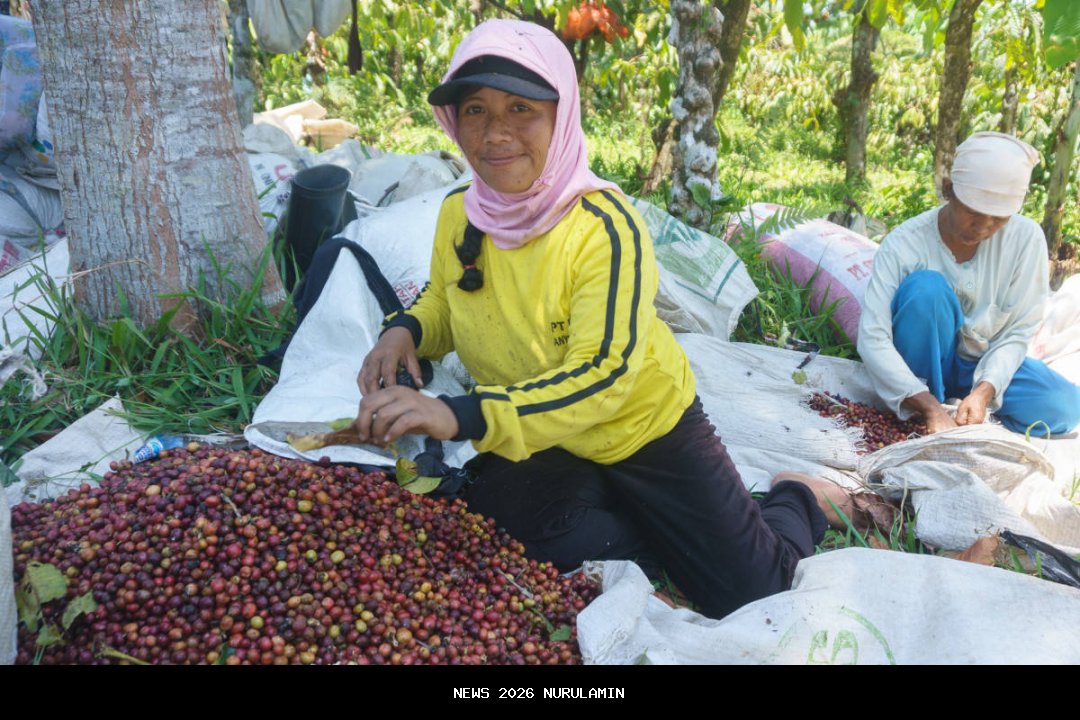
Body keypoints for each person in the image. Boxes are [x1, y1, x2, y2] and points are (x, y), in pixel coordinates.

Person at [352, 19, 839, 620]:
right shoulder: (463, 211)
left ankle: (794, 495)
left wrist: (458, 414)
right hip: (543, 431)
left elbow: (604, 377)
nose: (496, 133)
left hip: (640, 430)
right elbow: (446, 301)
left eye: (521, 109)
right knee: (502, 536)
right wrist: (405, 330)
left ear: (561, 119)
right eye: (474, 109)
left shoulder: (604, 229)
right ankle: (648, 520)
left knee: (750, 595)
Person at [858, 131, 1080, 436]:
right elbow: (873, 338)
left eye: (998, 218)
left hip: (983, 365)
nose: (983, 227)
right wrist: (930, 407)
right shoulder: (904, 244)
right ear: (949, 190)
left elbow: (1018, 331)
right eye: (973, 213)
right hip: (919, 368)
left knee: (1065, 406)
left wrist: (984, 392)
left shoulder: (1026, 239)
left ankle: (967, 411)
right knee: (926, 290)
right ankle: (924, 407)